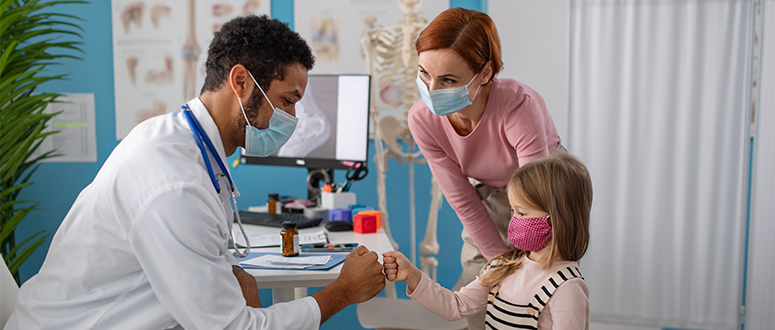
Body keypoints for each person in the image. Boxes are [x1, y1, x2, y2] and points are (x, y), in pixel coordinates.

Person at [5, 15, 385, 330]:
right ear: (241, 82)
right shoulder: (175, 181)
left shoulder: (181, 142)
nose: (293, 119)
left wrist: (234, 278)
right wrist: (342, 292)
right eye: (287, 101)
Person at [406, 7, 561, 328]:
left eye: (448, 80)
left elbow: (534, 199)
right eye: (424, 73)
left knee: (540, 281)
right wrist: (498, 261)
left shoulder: (519, 106)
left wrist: (523, 263)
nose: (431, 90)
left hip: (545, 189)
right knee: (481, 273)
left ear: (486, 73)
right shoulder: (421, 119)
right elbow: (461, 197)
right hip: (488, 189)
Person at [383, 152, 592, 329]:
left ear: (557, 219)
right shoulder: (502, 267)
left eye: (522, 213)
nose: (513, 220)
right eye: (512, 211)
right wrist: (412, 275)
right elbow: (455, 305)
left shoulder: (566, 289)